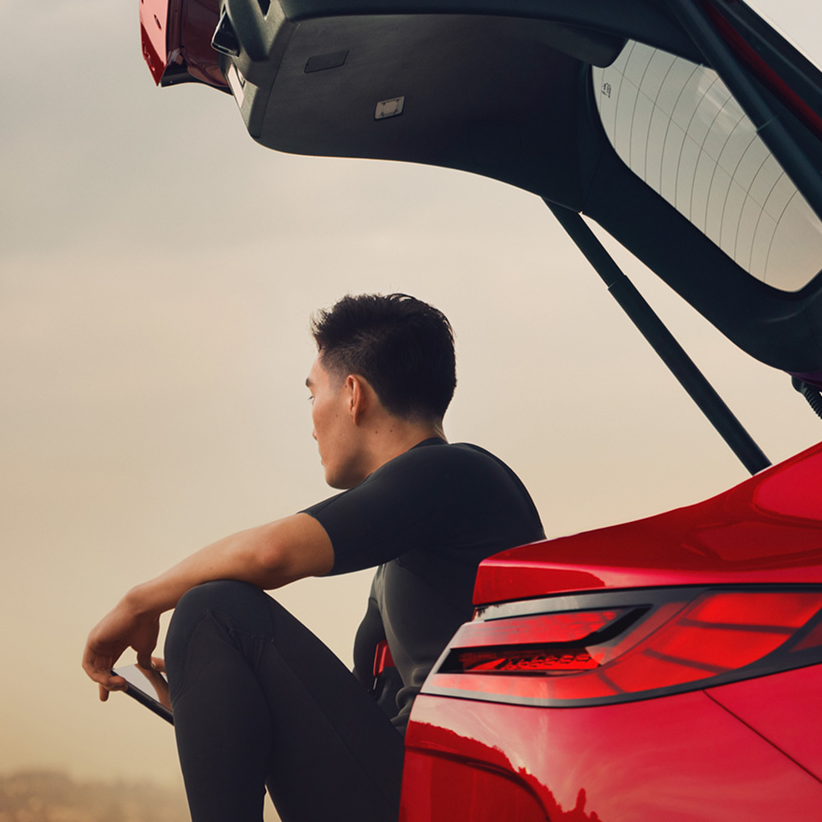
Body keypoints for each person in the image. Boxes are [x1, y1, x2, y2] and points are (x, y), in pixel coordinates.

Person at [82, 293, 545, 822]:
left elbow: (270, 554)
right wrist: (208, 701)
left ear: (353, 395)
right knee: (213, 633)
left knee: (211, 613)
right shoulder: (423, 523)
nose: (311, 423)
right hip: (410, 784)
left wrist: (138, 602)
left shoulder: (454, 473)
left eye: (311, 395)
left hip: (447, 792)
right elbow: (347, 725)